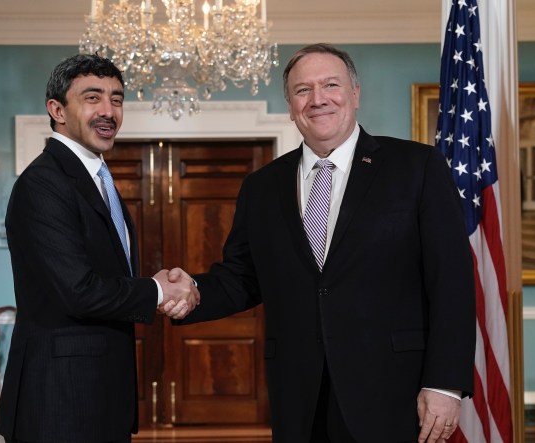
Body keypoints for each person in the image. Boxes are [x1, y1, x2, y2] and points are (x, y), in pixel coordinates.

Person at [167, 43, 476, 443]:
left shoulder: (417, 167)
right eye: (303, 90)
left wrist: (445, 384)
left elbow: (451, 282)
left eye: (331, 85)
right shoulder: (262, 187)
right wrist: (189, 292)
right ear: (290, 105)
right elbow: (242, 278)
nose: (318, 99)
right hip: (300, 395)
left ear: (355, 94)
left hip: (394, 393)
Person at [0, 53, 199, 443]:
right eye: (93, 98)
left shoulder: (96, 178)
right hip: (59, 402)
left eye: (116, 99)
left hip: (98, 399)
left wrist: (154, 287)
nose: (108, 111)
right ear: (57, 110)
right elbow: (78, 290)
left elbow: (106, 276)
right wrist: (157, 291)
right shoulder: (43, 183)